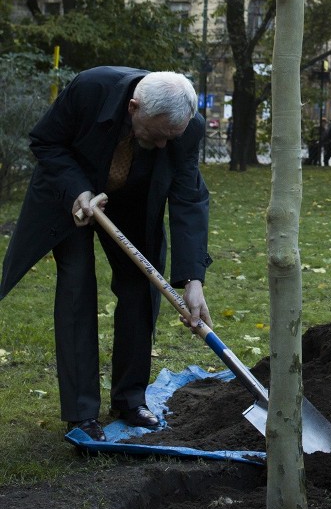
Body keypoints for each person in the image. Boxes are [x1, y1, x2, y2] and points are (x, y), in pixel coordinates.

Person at [0, 68, 212, 441]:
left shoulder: (186, 126)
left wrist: (193, 279)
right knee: (77, 288)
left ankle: (130, 400)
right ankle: (81, 412)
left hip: (133, 201)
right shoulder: (89, 89)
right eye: (159, 135)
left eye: (171, 138)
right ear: (134, 107)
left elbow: (188, 196)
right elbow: (46, 142)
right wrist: (78, 191)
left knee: (139, 291)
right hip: (71, 197)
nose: (164, 146)